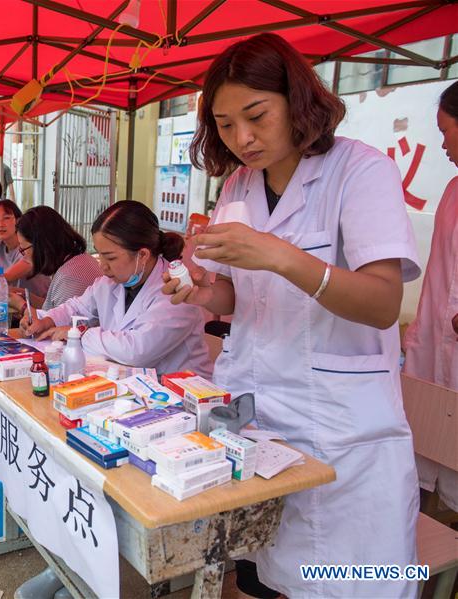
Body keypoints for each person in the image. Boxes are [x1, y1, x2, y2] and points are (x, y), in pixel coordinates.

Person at [163, 33, 419, 598]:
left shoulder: (360, 171)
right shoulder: (238, 183)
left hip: (341, 427)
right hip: (258, 414)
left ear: (297, 100)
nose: (243, 138)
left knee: (353, 582)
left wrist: (279, 256)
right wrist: (205, 292)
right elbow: (240, 299)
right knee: (271, 570)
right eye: (225, 125)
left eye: (256, 115)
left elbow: (381, 305)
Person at [24, 201, 212, 378]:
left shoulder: (176, 290)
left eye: (110, 258)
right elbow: (77, 307)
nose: (103, 266)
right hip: (129, 385)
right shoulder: (108, 282)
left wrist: (78, 334)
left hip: (179, 394)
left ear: (143, 255)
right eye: (99, 255)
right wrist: (47, 319)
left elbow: (138, 351)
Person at [403, 81, 458, 512]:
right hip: (432, 357)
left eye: (446, 132)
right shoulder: (452, 193)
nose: (442, 145)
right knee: (425, 465)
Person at [10, 206, 102, 312]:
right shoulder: (78, 259)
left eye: (23, 249)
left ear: (42, 245)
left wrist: (21, 306)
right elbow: (54, 309)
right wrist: (26, 296)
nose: (23, 255)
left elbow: (58, 324)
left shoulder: (70, 278)